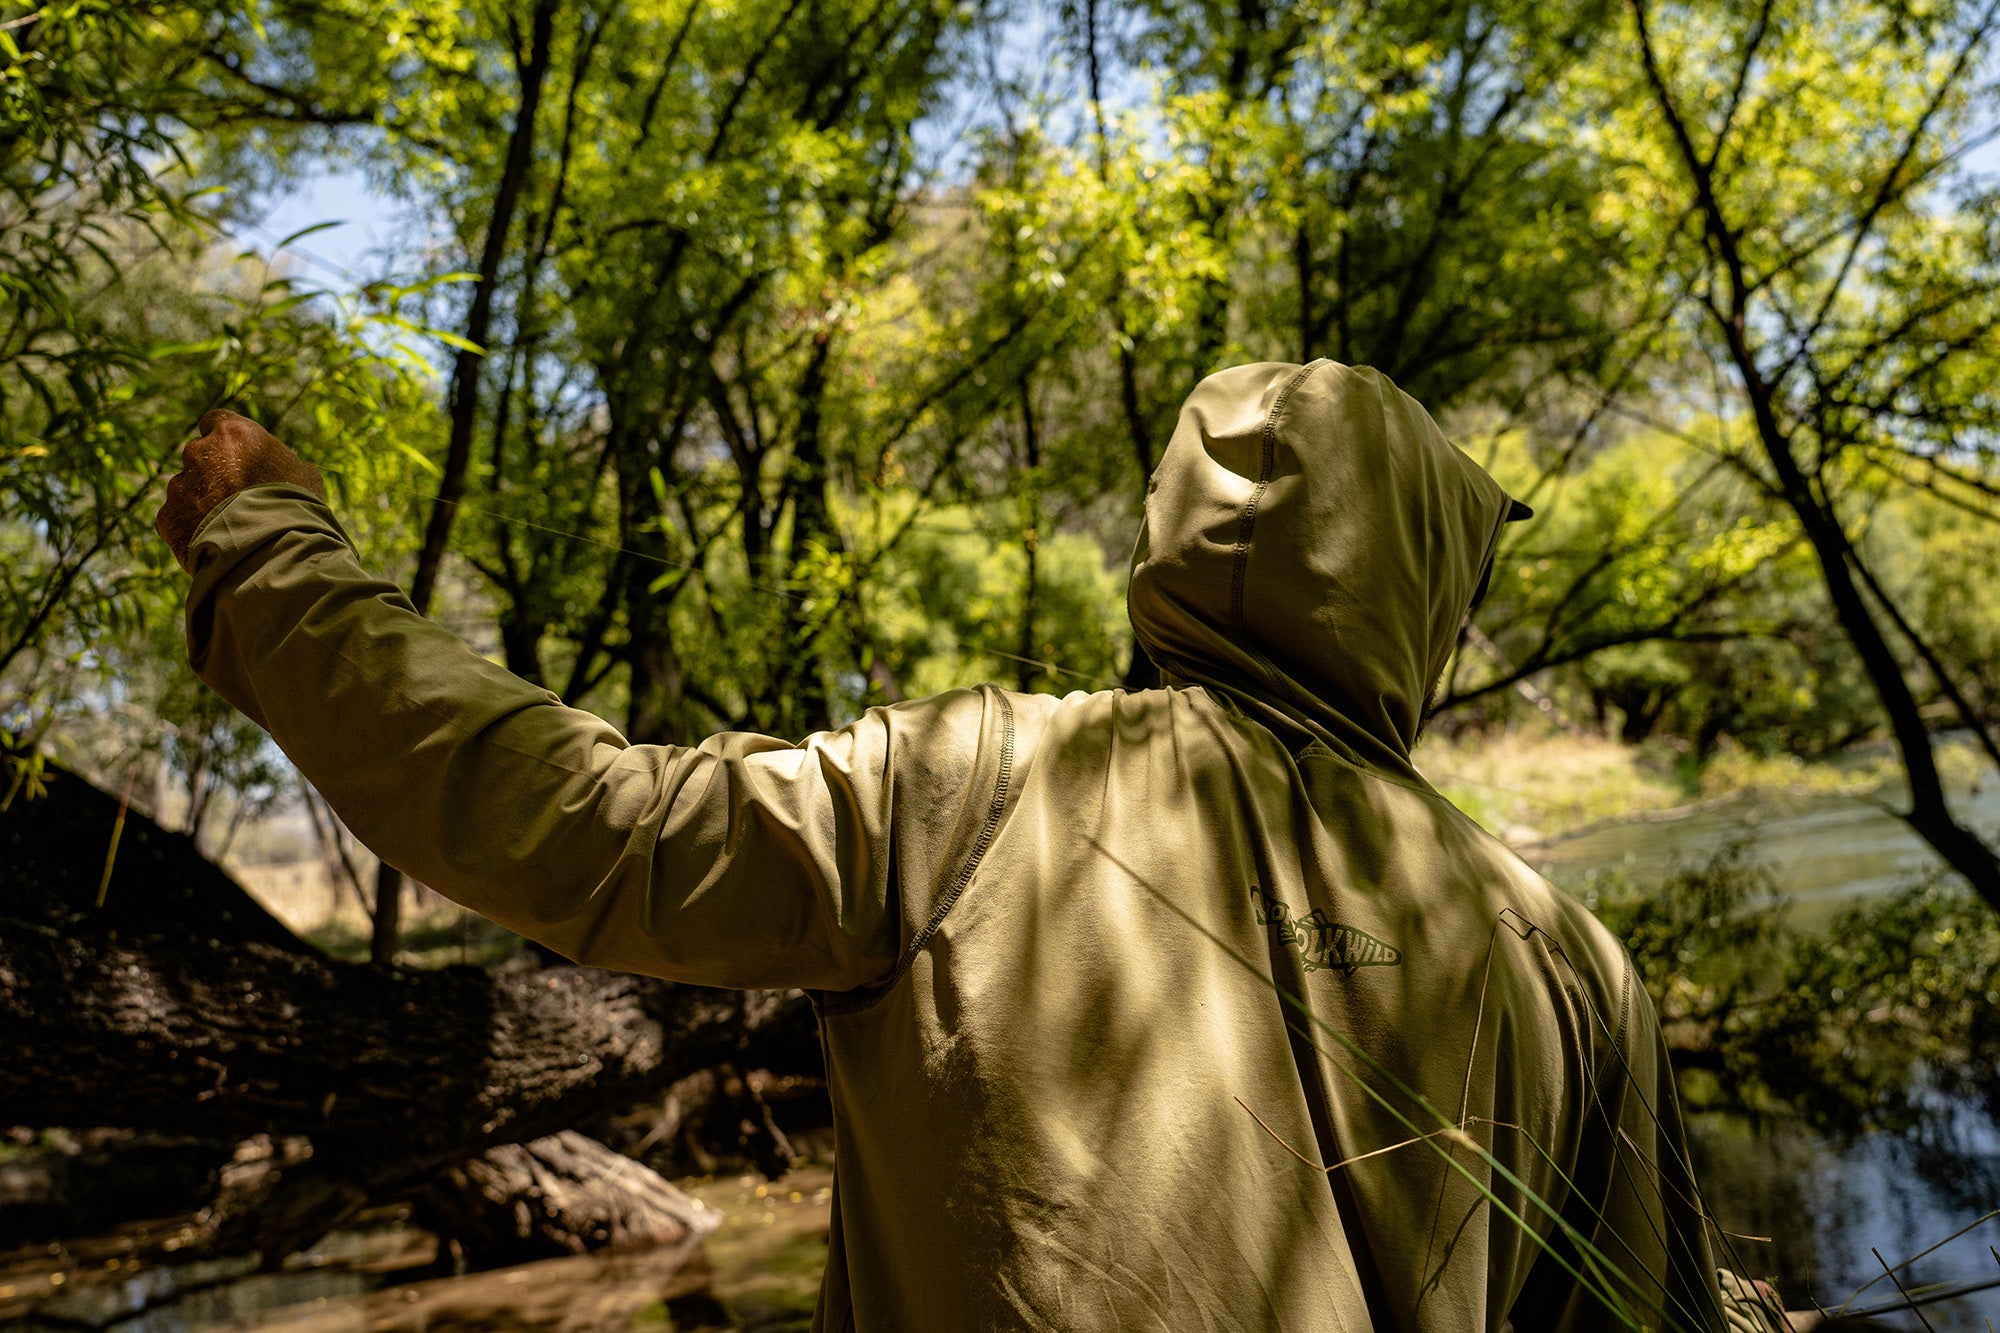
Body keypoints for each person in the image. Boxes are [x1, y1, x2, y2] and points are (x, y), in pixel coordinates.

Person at [158, 361, 1731, 1330]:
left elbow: (572, 821)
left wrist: (273, 551)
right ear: (1428, 592)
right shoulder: (1558, 955)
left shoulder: (968, 786)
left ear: (1171, 546)